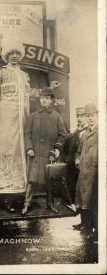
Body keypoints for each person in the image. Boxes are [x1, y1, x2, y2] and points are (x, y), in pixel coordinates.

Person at [0, 37, 30, 212]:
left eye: (18, 53)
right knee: (5, 152)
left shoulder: (25, 75)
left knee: (20, 153)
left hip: (22, 120)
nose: (15, 56)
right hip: (5, 120)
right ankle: (5, 197)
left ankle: (18, 194)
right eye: (12, 53)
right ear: (6, 55)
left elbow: (27, 100)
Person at [22, 87, 68, 215]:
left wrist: (57, 148)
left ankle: (50, 204)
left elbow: (63, 134)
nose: (44, 101)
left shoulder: (57, 116)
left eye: (47, 98)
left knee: (50, 180)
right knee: (31, 180)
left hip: (50, 154)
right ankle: (26, 204)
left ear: (51, 100)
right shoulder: (33, 116)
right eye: (42, 98)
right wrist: (29, 148)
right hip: (35, 153)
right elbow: (27, 135)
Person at [74, 103, 98, 241]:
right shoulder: (84, 134)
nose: (89, 118)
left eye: (92, 116)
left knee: (94, 203)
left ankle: (96, 232)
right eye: (87, 116)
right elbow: (79, 151)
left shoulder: (101, 132)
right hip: (84, 173)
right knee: (84, 202)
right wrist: (78, 159)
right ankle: (87, 228)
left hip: (95, 174)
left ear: (96, 116)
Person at [65, 107, 88, 204]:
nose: (79, 118)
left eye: (82, 116)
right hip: (71, 163)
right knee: (71, 183)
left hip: (79, 163)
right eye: (78, 116)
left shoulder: (86, 131)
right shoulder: (77, 129)